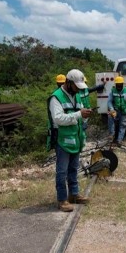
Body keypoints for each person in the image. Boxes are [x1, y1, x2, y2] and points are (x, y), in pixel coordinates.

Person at [47, 69, 92, 212]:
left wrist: (85, 115)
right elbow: (58, 119)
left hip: (75, 139)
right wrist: (79, 114)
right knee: (62, 171)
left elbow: (79, 116)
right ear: (68, 82)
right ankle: (62, 200)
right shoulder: (56, 97)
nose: (78, 90)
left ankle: (74, 194)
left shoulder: (76, 95)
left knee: (73, 169)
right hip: (63, 140)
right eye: (76, 86)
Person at [107, 76, 126, 146]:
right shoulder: (113, 91)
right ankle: (112, 135)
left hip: (124, 111)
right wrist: (111, 109)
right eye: (117, 84)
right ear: (115, 84)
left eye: (120, 84)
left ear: (122, 84)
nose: (119, 86)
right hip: (115, 110)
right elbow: (109, 101)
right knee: (110, 117)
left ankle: (119, 140)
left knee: (122, 125)